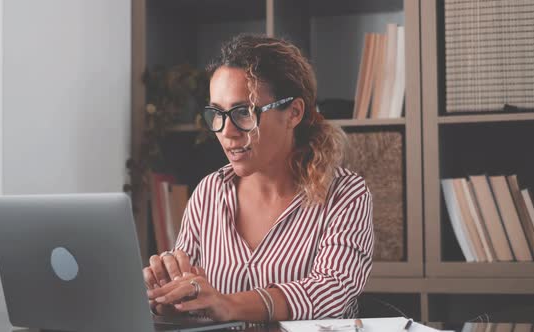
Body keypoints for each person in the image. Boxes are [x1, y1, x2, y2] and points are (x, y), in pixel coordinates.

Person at [144, 34, 373, 323]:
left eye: (243, 112)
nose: (227, 131)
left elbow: (330, 291)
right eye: (217, 113)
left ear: (293, 113)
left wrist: (228, 304)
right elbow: (191, 296)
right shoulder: (209, 193)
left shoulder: (345, 193)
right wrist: (167, 297)